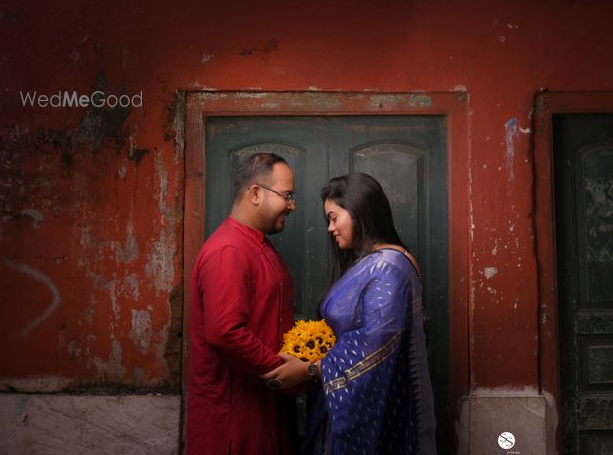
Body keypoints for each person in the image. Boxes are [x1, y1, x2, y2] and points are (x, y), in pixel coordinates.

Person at [267, 172, 437, 455]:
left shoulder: (389, 267)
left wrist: (312, 368)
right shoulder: (370, 262)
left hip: (376, 410)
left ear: (358, 211)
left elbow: (375, 343)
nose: (330, 228)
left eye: (334, 218)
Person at [187, 152, 298, 455]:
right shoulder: (229, 250)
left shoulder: (255, 243)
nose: (292, 205)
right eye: (286, 195)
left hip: (265, 412)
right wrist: (284, 373)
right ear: (255, 194)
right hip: (235, 422)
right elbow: (225, 332)